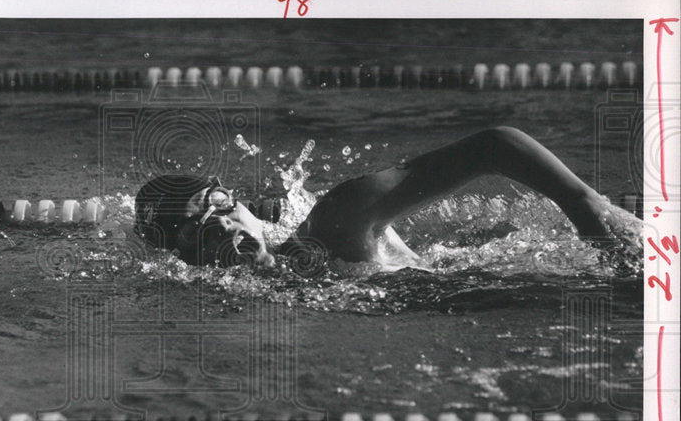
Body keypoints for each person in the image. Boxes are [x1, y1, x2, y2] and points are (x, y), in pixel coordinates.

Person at [133, 126, 627, 269]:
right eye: (191, 229)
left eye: (219, 204)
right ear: (178, 259)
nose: (218, 224)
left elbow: (493, 145)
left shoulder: (333, 224)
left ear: (242, 206)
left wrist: (587, 207)